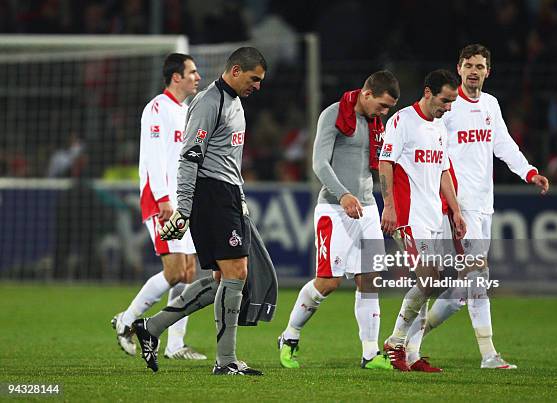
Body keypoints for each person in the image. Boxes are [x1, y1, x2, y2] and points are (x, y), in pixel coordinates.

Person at [404, 44, 550, 369]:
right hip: (459, 206)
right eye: (468, 65)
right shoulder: (448, 107)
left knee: (459, 293)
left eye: (479, 66)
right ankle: (488, 355)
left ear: (488, 71)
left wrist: (529, 171)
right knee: (477, 276)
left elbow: (503, 144)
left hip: (484, 205)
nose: (473, 71)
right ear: (459, 69)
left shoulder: (490, 105)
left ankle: (406, 342)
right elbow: (432, 149)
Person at [131, 47, 268, 375]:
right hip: (212, 195)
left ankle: (151, 327)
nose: (257, 86)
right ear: (235, 71)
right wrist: (183, 208)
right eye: (254, 79)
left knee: (222, 277)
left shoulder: (235, 103)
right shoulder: (209, 102)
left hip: (228, 193)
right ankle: (226, 361)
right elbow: (189, 157)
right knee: (237, 273)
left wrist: (240, 195)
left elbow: (228, 157)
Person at [277, 71, 400, 370]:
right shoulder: (333, 113)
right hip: (334, 208)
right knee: (329, 282)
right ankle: (290, 335)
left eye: (388, 109)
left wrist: (388, 204)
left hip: (368, 208)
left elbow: (381, 166)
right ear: (367, 93)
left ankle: (370, 353)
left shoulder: (374, 123)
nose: (383, 114)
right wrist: (343, 195)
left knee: (369, 280)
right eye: (382, 106)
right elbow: (318, 162)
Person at [111, 53, 206, 361]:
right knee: (175, 270)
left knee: (189, 272)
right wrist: (164, 198)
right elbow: (153, 156)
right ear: (175, 77)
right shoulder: (157, 108)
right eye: (192, 72)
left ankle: (175, 345)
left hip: (183, 201)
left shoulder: (186, 111)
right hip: (161, 202)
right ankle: (126, 320)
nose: (197, 77)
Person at [379, 69, 466, 372]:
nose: (448, 107)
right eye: (445, 100)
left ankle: (413, 354)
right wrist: (389, 205)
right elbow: (385, 163)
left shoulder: (440, 127)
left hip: (432, 216)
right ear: (428, 93)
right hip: (407, 216)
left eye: (453, 102)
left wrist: (455, 211)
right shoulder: (402, 121)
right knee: (428, 278)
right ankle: (396, 341)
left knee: (429, 283)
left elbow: (443, 171)